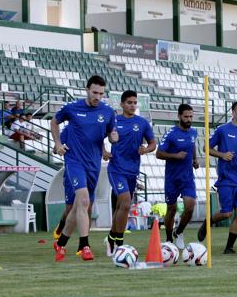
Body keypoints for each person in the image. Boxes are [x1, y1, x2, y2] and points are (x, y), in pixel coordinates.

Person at [51, 75, 118, 261]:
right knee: (83, 201)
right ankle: (85, 245)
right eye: (95, 92)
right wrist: (57, 144)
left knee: (80, 206)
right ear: (86, 90)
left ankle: (61, 242)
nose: (98, 96)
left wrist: (110, 142)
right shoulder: (72, 109)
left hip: (93, 164)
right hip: (74, 161)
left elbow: (110, 134)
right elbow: (54, 122)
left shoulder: (108, 112)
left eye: (101, 94)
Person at [198, 101, 237, 254]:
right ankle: (209, 221)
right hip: (226, 177)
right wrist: (222, 155)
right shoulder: (223, 130)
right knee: (226, 213)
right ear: (233, 112)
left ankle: (229, 247)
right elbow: (206, 148)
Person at [104, 90, 156, 256]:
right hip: (116, 169)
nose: (133, 106)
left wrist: (146, 149)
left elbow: (153, 143)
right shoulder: (113, 121)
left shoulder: (142, 123)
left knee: (122, 206)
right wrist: (104, 151)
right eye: (129, 103)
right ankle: (119, 242)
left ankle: (112, 238)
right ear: (122, 104)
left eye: (135, 103)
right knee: (126, 203)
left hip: (133, 170)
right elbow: (98, 138)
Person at [157, 103, 198, 250]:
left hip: (187, 177)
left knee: (190, 205)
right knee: (172, 209)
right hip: (172, 178)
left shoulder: (193, 132)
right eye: (186, 117)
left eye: (191, 116)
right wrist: (175, 156)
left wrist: (194, 159)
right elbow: (159, 153)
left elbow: (192, 145)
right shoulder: (171, 134)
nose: (189, 119)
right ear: (179, 116)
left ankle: (179, 231)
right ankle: (168, 238)